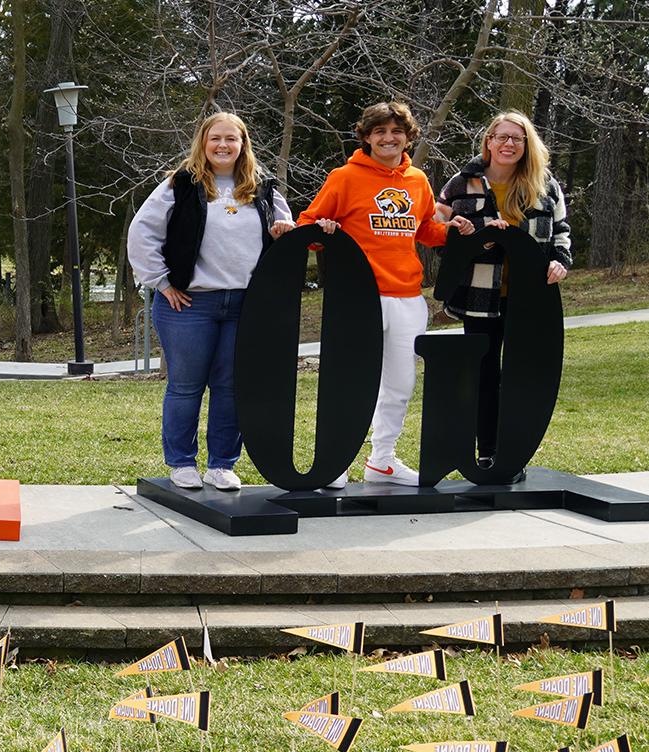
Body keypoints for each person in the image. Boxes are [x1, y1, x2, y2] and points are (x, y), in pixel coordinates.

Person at [298, 101, 473, 488]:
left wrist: (450, 230)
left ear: (408, 136)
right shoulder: (344, 177)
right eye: (380, 132)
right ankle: (336, 459)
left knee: (400, 383)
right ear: (366, 137)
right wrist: (322, 231)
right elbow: (306, 225)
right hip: (358, 296)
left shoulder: (418, 180)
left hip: (408, 295)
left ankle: (382, 460)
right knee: (353, 380)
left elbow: (424, 228)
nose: (388, 138)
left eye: (396, 131)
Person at [126, 111, 292, 491]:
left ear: (243, 144)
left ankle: (221, 465)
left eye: (231, 139)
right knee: (186, 386)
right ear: (203, 142)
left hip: (246, 305)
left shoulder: (262, 188)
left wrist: (285, 232)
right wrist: (161, 282)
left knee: (232, 387)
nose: (223, 145)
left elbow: (286, 230)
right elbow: (142, 233)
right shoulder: (180, 185)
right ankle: (182, 463)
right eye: (215, 138)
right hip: (189, 305)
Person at [437, 111, 572, 472]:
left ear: (527, 144)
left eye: (518, 138)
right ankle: (487, 451)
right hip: (479, 295)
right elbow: (439, 236)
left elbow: (561, 231)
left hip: (531, 298)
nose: (509, 144)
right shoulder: (461, 184)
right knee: (484, 374)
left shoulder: (545, 185)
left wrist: (561, 260)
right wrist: (478, 236)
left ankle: (514, 452)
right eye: (502, 137)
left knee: (521, 374)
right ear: (489, 141)